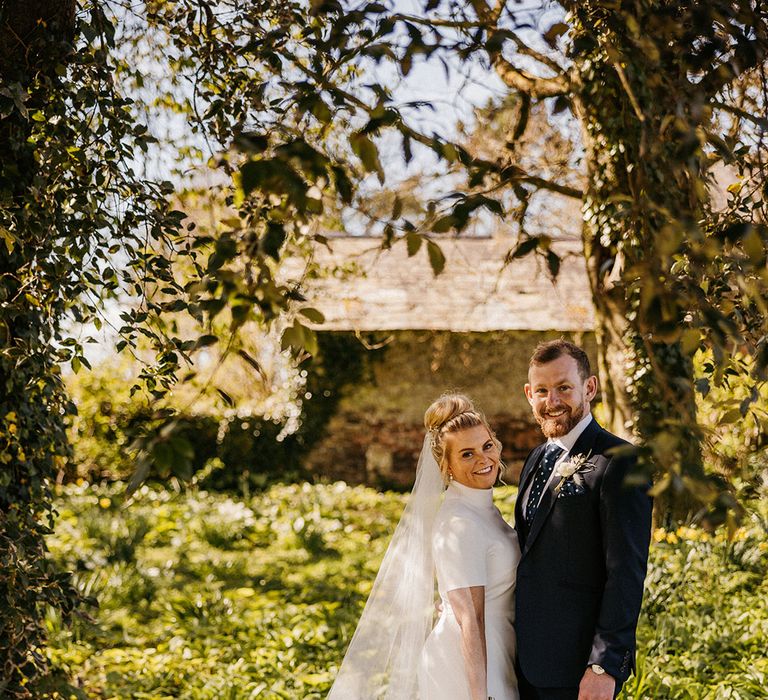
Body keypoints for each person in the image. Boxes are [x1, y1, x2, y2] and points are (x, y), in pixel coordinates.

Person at [327, 393, 520, 700]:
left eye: (487, 446)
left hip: (497, 651)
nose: (484, 459)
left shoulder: (482, 509)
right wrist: (480, 695)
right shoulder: (460, 522)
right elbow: (470, 620)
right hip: (469, 666)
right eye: (467, 454)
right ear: (447, 467)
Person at [514, 340, 653, 700]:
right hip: (523, 660)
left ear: (588, 388)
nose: (552, 401)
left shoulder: (621, 461)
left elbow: (626, 572)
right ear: (529, 394)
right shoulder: (535, 458)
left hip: (578, 669)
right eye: (542, 391)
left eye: (563, 388)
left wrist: (604, 666)